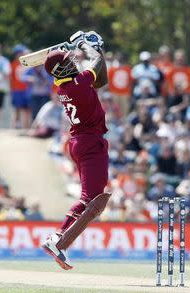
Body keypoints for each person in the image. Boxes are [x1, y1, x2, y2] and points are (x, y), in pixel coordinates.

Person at [41, 31, 110, 270]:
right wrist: (86, 44)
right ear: (61, 70)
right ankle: (59, 241)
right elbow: (97, 63)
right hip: (90, 143)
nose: (73, 62)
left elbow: (101, 78)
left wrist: (93, 48)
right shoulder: (79, 85)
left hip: (81, 142)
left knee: (91, 199)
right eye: (68, 62)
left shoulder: (64, 85)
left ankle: (58, 239)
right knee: (91, 200)